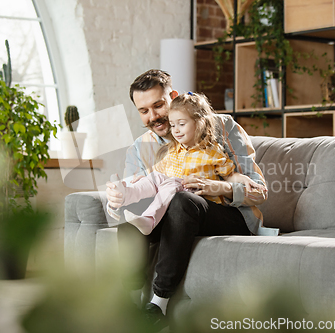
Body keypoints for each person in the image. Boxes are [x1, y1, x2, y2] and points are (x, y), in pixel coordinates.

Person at [106, 69, 267, 328]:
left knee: (182, 202)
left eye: (158, 106)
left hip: (224, 214)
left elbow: (257, 190)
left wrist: (218, 187)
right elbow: (137, 196)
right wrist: (117, 197)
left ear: (173, 97)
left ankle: (159, 305)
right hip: (172, 215)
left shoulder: (222, 127)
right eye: (143, 111)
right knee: (128, 227)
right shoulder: (140, 148)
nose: (154, 117)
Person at [108, 92, 265, 235]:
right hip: (175, 194)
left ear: (198, 123)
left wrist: (243, 179)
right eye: (173, 125)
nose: (175, 130)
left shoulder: (212, 152)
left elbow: (230, 174)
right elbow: (157, 173)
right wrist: (139, 181)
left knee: (173, 188)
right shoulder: (173, 150)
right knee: (156, 178)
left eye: (181, 124)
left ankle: (149, 219)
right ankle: (127, 193)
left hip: (195, 199)